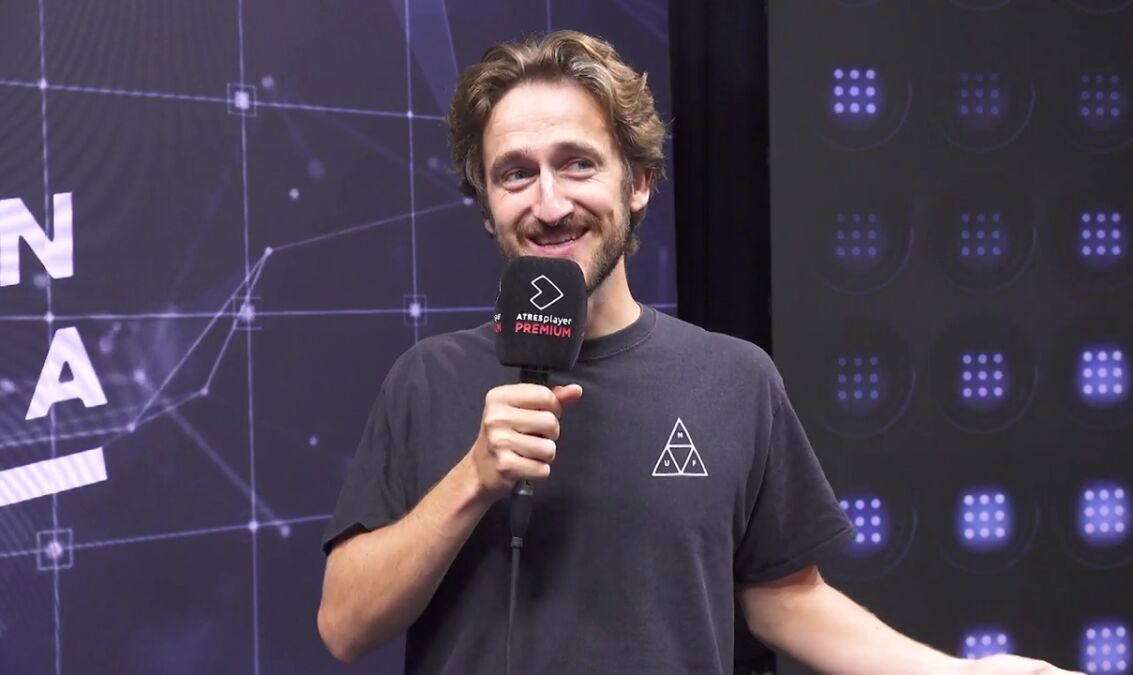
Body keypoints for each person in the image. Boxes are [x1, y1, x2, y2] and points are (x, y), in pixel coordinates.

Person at [317, 30, 1081, 675]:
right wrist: (473, 478)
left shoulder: (734, 379)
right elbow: (345, 624)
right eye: (516, 174)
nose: (549, 203)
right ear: (488, 207)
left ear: (639, 183)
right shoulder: (426, 379)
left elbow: (788, 600)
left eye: (578, 163)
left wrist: (962, 673)